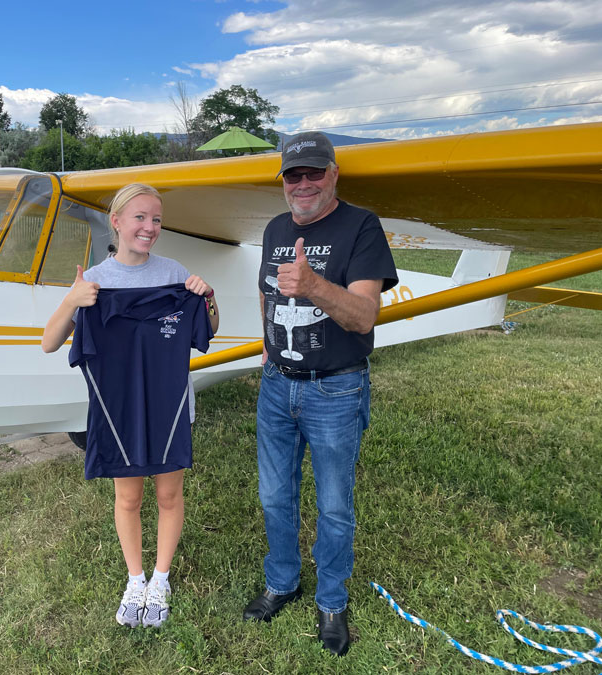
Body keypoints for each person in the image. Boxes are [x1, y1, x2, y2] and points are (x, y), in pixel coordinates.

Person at [242, 132, 398, 656]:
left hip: (336, 389)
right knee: (273, 495)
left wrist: (312, 285)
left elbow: (364, 315)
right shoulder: (275, 228)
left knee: (333, 506)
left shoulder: (361, 226)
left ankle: (332, 601)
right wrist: (270, 347)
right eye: (293, 174)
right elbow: (267, 292)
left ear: (334, 174)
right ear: (283, 181)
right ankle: (282, 582)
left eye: (314, 172)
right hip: (276, 386)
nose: (303, 183)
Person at [42, 183, 219, 629]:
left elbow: (208, 329)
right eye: (140, 217)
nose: (149, 227)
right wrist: (71, 300)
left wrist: (207, 297)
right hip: (120, 411)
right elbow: (49, 343)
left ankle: (161, 580)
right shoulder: (94, 282)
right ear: (117, 222)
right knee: (129, 497)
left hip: (170, 408)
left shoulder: (175, 275)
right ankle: (135, 580)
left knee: (169, 494)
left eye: (156, 219)